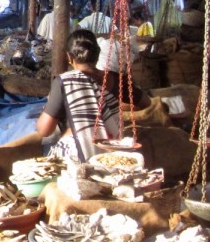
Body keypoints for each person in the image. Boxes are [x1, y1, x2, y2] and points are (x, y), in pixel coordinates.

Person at [16, 29, 149, 161]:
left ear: (69, 57)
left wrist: (48, 112)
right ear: (97, 55)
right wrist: (109, 106)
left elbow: (45, 130)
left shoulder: (64, 82)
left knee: (45, 146)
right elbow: (146, 103)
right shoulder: (116, 79)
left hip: (78, 155)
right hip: (113, 154)